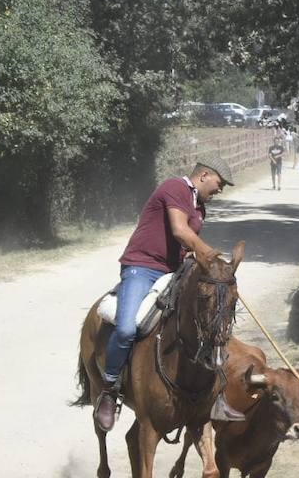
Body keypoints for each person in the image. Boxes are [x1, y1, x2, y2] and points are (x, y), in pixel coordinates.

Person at [94, 156, 233, 430]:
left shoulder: (200, 207)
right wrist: (210, 255)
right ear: (204, 175)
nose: (221, 189)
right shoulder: (175, 188)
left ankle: (217, 393)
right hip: (142, 267)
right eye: (220, 183)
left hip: (175, 270)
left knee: (211, 318)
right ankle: (109, 391)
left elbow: (186, 247)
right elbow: (180, 231)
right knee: (126, 329)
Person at [267, 125, 285, 191]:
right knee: (273, 174)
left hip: (279, 162)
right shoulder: (271, 148)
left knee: (279, 173)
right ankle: (274, 185)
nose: (277, 142)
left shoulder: (281, 147)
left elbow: (283, 153)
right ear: (274, 142)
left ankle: (279, 185)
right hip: (272, 163)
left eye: (277, 141)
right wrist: (273, 160)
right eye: (275, 141)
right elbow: (269, 155)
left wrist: (278, 156)